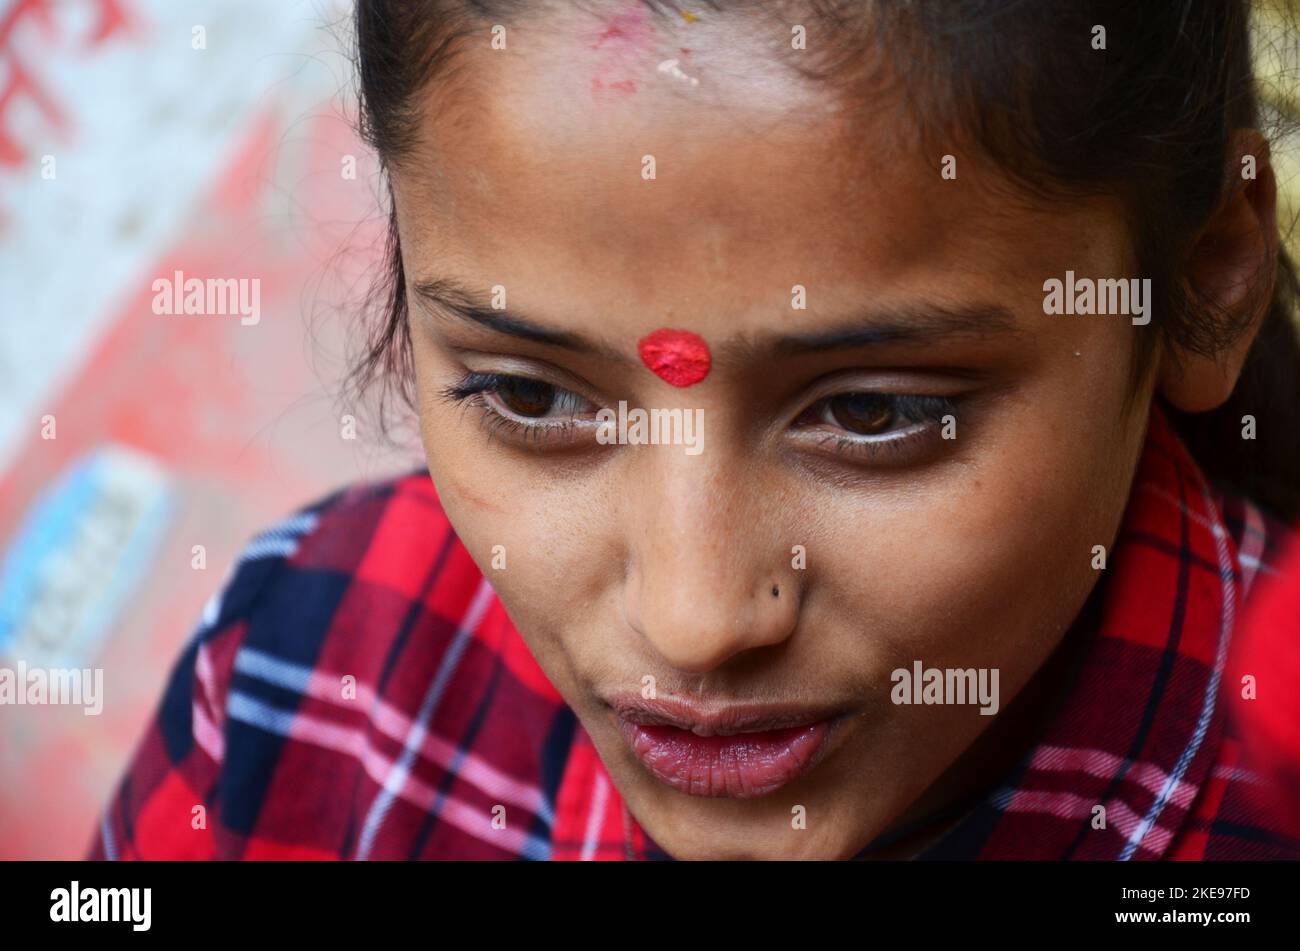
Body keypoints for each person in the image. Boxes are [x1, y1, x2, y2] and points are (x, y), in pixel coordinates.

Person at [90, 0, 1300, 860]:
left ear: (1206, 276)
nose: (695, 619)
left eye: (874, 413)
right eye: (531, 398)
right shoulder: (298, 677)